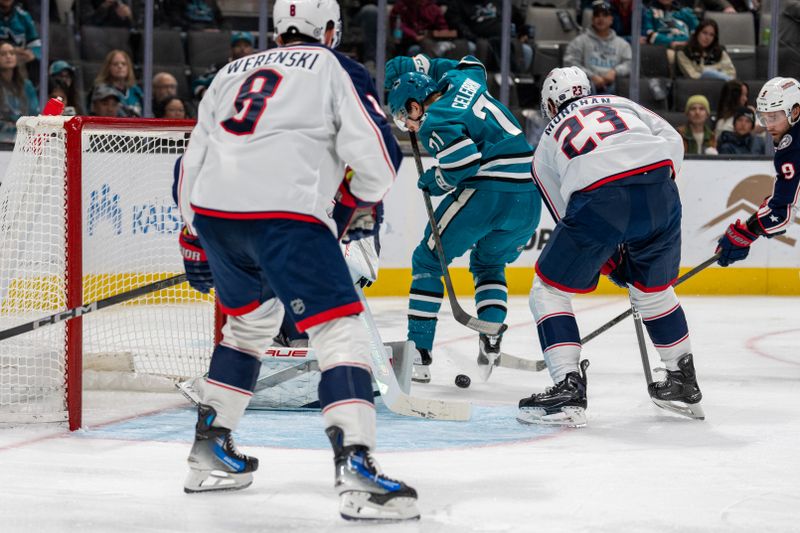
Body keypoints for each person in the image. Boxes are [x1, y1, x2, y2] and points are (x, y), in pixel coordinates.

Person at [176, 0, 417, 521]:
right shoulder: (336, 67)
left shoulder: (230, 70)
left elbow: (190, 158)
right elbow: (380, 156)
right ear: (329, 30)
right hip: (286, 215)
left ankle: (209, 451)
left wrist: (192, 233)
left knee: (248, 325)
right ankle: (356, 467)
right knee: (341, 330)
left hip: (216, 215)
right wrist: (350, 207)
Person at [520, 66, 704, 427]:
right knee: (652, 291)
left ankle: (568, 387)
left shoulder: (547, 138)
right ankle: (683, 380)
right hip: (660, 189)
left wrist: (607, 258)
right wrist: (658, 185)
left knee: (548, 290)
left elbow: (564, 214)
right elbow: (674, 141)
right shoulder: (622, 102)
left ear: (552, 103)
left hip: (600, 199)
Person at [385, 54, 542, 383]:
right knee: (488, 263)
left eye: (405, 117)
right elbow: (473, 62)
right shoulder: (463, 81)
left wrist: (436, 181)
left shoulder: (434, 120)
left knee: (427, 260)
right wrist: (425, 65)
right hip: (528, 198)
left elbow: (463, 163)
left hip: (488, 195)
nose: (410, 126)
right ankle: (492, 338)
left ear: (415, 106)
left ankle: (419, 356)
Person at [715, 77, 800, 266]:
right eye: (764, 117)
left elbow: (782, 214)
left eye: (775, 117)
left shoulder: (792, 148)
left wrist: (746, 231)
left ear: (795, 111)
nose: (769, 125)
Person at [564, 0, 631, 94]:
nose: (601, 19)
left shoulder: (622, 44)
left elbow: (630, 64)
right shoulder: (579, 41)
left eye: (605, 15)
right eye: (597, 15)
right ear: (592, 19)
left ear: (611, 19)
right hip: (587, 88)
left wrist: (615, 72)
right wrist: (591, 76)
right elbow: (569, 63)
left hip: (615, 88)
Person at [191, 31, 254, 102]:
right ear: (231, 49)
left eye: (246, 46)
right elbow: (197, 85)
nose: (242, 49)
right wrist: (206, 96)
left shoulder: (257, 68)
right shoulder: (219, 67)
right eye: (238, 45)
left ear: (252, 49)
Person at [389, 0, 456, 57]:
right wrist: (414, 35)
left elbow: (443, 28)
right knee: (415, 50)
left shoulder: (432, 7)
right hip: (406, 42)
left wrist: (439, 34)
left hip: (429, 41)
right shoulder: (401, 5)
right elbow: (397, 25)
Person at [0, 39, 37, 143]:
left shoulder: (27, 85)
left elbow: (34, 113)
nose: (8, 56)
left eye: (12, 53)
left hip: (25, 139)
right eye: (3, 54)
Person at [91, 49, 143, 117]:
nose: (120, 66)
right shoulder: (100, 90)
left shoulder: (136, 91)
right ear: (108, 67)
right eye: (115, 64)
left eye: (123, 64)